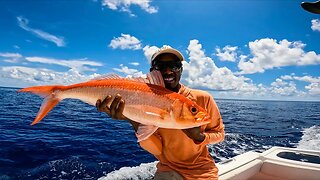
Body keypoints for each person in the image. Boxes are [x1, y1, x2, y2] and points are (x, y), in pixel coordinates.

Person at [96, 46, 225, 179]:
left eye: (174, 66)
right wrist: (133, 119)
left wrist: (199, 137)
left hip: (203, 171)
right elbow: (157, 150)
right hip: (167, 170)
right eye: (161, 66)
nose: (168, 71)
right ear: (153, 72)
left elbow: (220, 134)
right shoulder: (142, 97)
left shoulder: (203, 98)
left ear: (181, 70)